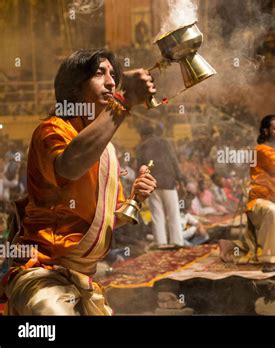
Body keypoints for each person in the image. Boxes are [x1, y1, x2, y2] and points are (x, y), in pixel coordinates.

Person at [0, 49, 157, 315]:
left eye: (113, 75)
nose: (110, 82)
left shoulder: (104, 148)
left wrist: (135, 199)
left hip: (85, 280)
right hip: (43, 274)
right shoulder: (51, 129)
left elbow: (106, 220)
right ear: (74, 87)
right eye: (99, 74)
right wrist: (125, 99)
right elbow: (70, 166)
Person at [218, 115, 275, 272]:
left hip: (270, 201)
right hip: (258, 203)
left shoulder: (271, 151)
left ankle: (231, 246)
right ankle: (270, 261)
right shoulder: (262, 151)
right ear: (266, 131)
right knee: (271, 211)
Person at [136, 121, 185, 247]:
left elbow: (140, 168)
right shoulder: (165, 142)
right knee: (173, 213)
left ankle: (161, 243)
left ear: (143, 135)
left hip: (152, 184)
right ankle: (177, 242)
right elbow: (174, 161)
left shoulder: (141, 146)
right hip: (169, 183)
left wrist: (140, 185)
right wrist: (181, 179)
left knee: (157, 215)